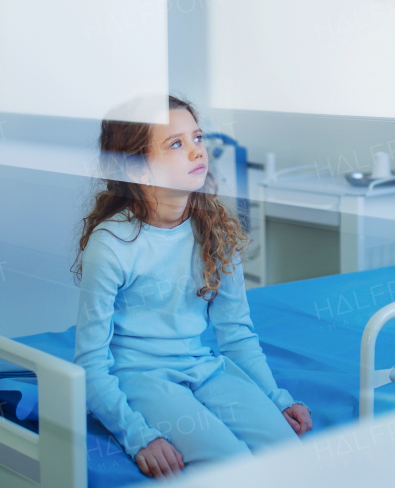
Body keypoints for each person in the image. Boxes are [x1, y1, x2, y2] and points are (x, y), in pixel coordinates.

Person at [72, 95, 312, 479]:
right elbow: (90, 363)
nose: (196, 151)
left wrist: (276, 398)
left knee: (288, 455)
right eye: (176, 144)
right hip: (141, 377)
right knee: (231, 466)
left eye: (197, 138)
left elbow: (236, 333)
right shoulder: (112, 244)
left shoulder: (215, 229)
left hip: (205, 368)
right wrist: (138, 436)